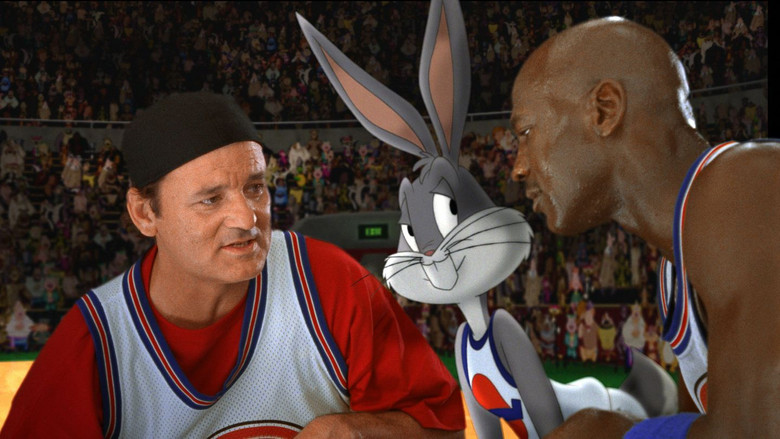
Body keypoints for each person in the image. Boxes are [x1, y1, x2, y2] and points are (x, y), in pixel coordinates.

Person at [1, 92, 465, 438]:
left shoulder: (330, 281)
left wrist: (359, 431)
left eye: (255, 188)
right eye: (210, 199)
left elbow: (444, 427)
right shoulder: (94, 342)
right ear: (145, 214)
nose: (247, 218)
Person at [510, 17, 778, 439]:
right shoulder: (677, 269)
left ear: (604, 110)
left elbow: (754, 431)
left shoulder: (748, 186)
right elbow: (705, 425)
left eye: (526, 132)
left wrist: (611, 433)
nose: (518, 167)